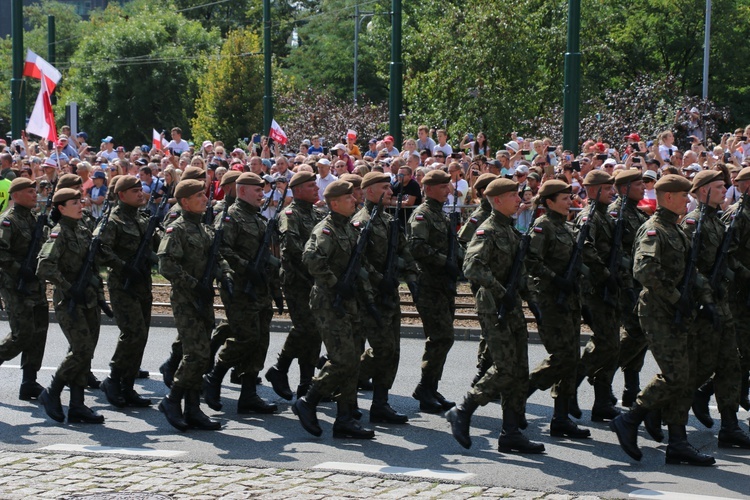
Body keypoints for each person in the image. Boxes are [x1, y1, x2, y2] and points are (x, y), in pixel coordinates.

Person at [610, 174, 716, 466]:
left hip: (677, 311)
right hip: (658, 312)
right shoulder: (654, 229)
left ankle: (678, 442)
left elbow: (689, 271)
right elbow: (643, 269)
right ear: (668, 197)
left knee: (683, 376)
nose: (688, 200)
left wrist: (706, 299)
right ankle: (631, 419)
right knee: (677, 375)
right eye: (683, 195)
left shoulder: (675, 229)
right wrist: (674, 297)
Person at [446, 178, 544, 454]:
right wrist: (502, 291)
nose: (519, 199)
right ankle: (463, 410)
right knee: (504, 368)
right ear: (497, 200)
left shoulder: (511, 231)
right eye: (513, 195)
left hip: (511, 307)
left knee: (519, 372)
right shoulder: (487, 230)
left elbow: (520, 274)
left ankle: (511, 432)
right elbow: (472, 267)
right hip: (494, 307)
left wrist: (533, 303)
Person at [292, 180, 377, 439]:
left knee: (351, 361)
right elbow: (310, 258)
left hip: (349, 301)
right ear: (335, 203)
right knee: (342, 359)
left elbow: (358, 267)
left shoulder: (349, 229)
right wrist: (335, 283)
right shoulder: (326, 230)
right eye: (349, 198)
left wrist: (370, 299)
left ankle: (345, 418)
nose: (355, 200)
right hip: (329, 302)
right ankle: (308, 400)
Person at [157, 179, 233, 432]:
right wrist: (192, 283)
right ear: (185, 201)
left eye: (205, 194)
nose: (205, 198)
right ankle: (172, 400)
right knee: (196, 354)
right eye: (199, 195)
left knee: (202, 356)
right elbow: (166, 264)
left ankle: (192, 408)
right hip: (186, 298)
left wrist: (225, 273)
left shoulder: (205, 229)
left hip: (204, 298)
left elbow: (218, 256)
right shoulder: (176, 229)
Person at [682, 170, 750, 449]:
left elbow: (729, 260)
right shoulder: (697, 222)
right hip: (711, 301)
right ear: (703, 191)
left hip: (723, 297)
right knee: (703, 364)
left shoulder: (715, 221)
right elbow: (689, 266)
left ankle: (730, 426)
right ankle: (650, 410)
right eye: (719, 187)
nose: (725, 190)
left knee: (730, 363)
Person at [203, 173, 279, 415]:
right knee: (246, 337)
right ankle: (214, 377)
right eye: (257, 190)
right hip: (239, 287)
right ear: (243, 191)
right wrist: (246, 267)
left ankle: (248, 394)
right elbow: (219, 249)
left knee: (260, 341)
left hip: (260, 288)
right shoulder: (230, 217)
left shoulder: (257, 219)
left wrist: (274, 286)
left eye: (263, 190)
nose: (262, 194)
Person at [525, 180, 590, 439]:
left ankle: (560, 418)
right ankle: (523, 390)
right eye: (564, 198)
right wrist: (555, 278)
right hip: (552, 300)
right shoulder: (543, 226)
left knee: (571, 361)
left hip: (571, 301)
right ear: (549, 202)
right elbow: (531, 260)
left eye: (570, 197)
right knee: (562, 357)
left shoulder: (568, 227)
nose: (569, 202)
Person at [353, 172, 419, 424]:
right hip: (370, 295)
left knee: (392, 351)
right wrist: (380, 279)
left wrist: (412, 279)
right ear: (369, 191)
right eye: (384, 188)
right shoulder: (361, 221)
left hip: (390, 294)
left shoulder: (389, 221)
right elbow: (359, 260)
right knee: (383, 348)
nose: (391, 191)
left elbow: (405, 252)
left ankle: (380, 403)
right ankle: (340, 379)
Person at [37, 188, 106, 424]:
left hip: (88, 298)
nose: (80, 205)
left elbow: (94, 266)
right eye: (74, 202)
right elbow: (44, 266)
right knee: (81, 348)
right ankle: (52, 391)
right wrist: (68, 286)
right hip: (69, 301)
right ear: (61, 208)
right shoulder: (59, 233)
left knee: (86, 352)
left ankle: (77, 405)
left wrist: (98, 293)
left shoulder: (83, 230)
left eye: (80, 201)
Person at [96, 176, 156, 410]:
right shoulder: (114, 220)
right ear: (121, 195)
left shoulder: (141, 218)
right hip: (123, 284)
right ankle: (113, 379)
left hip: (143, 283)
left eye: (141, 189)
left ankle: (128, 386)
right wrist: (124, 266)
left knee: (142, 336)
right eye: (134, 191)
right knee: (133, 333)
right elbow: (101, 250)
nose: (140, 193)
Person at [265, 172, 325, 400]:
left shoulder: (316, 214)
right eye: (311, 186)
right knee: (305, 327)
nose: (316, 189)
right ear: (298, 190)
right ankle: (279, 368)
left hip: (314, 280)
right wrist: (314, 268)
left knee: (314, 333)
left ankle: (305, 384)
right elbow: (291, 247)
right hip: (297, 279)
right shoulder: (290, 214)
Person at [408, 169, 463, 413]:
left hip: (443, 284)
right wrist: (445, 261)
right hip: (429, 284)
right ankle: (425, 388)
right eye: (443, 187)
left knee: (443, 338)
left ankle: (430, 387)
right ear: (429, 189)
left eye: (448, 186)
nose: (448, 190)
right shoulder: (423, 214)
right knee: (441, 337)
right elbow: (417, 247)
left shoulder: (440, 214)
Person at [570, 170, 622, 422]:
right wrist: (604, 274)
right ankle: (570, 387)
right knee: (607, 342)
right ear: (593, 191)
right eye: (607, 188)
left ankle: (602, 401)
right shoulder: (589, 216)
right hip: (594, 288)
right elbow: (585, 247)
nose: (612, 192)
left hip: (607, 287)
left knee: (609, 345)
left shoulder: (606, 216)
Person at [0, 177, 50, 401]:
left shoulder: (34, 219)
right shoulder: (8, 221)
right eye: (30, 191)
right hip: (15, 285)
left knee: (39, 332)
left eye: (35, 191)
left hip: (36, 284)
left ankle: (29, 381)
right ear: (16, 195)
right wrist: (20, 269)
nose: (34, 195)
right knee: (23, 334)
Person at [608, 170, 650, 408]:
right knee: (635, 331)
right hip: (624, 284)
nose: (643, 187)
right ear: (624, 188)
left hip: (637, 282)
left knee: (640, 335)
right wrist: (627, 282)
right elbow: (615, 252)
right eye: (638, 184)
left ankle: (631, 389)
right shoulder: (617, 213)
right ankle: (602, 375)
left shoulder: (637, 213)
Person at [724, 167, 750, 415]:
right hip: (738, 292)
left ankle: (742, 392)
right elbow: (726, 255)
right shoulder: (738, 214)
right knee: (739, 349)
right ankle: (705, 391)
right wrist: (746, 275)